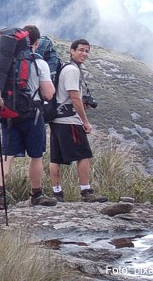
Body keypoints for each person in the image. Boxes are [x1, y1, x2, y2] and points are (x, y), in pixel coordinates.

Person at [0, 25, 58, 210]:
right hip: (33, 115)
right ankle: (36, 194)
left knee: (6, 156)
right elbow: (48, 94)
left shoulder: (3, 62)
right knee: (36, 156)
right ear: (36, 42)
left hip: (7, 114)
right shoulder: (39, 63)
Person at [48, 39, 108, 203]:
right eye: (81, 50)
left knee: (56, 158)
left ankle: (57, 194)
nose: (84, 54)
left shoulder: (64, 69)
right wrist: (85, 121)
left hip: (57, 119)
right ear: (72, 51)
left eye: (87, 51)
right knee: (84, 155)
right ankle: (86, 192)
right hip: (70, 121)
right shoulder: (72, 71)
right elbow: (74, 97)